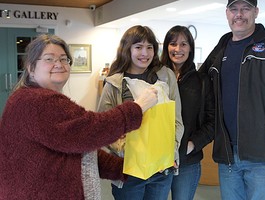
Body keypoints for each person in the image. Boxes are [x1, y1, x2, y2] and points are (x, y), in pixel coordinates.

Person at [0, 34, 158, 200]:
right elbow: (91, 130)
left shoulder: (27, 97)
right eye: (49, 59)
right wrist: (137, 107)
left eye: (63, 59)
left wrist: (123, 168)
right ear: (31, 68)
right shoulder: (36, 101)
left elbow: (80, 147)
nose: (59, 64)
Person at [199, 0, 265, 200]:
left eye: (245, 9)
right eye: (234, 9)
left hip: (264, 155)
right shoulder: (222, 47)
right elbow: (199, 85)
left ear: (256, 12)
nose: (239, 14)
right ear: (227, 13)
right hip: (227, 155)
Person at [97, 25, 184, 200]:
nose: (144, 53)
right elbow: (103, 126)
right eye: (138, 47)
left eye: (149, 47)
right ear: (127, 49)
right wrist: (126, 152)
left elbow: (176, 120)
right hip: (129, 171)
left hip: (161, 170)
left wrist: (170, 153)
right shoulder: (114, 84)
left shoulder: (165, 76)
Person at [160, 25, 214, 200]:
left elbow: (211, 122)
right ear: (166, 46)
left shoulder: (202, 81)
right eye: (173, 43)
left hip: (187, 161)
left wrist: (192, 144)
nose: (178, 49)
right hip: (156, 158)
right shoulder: (155, 77)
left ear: (190, 47)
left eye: (183, 44)